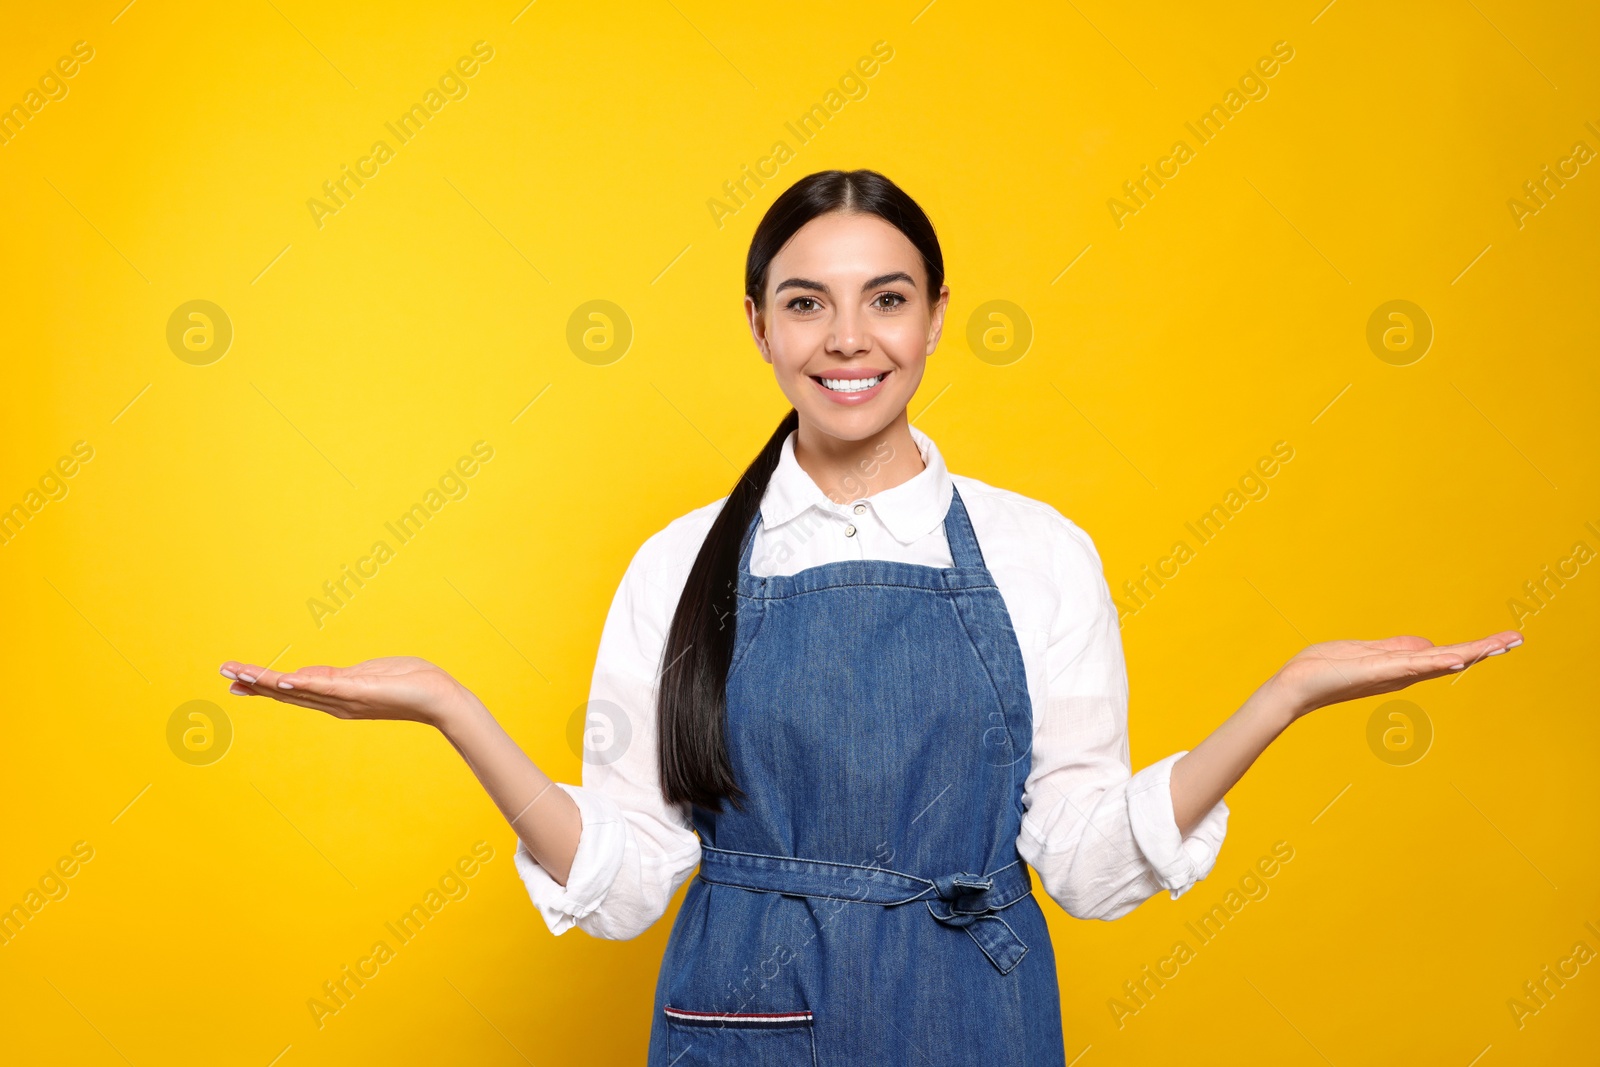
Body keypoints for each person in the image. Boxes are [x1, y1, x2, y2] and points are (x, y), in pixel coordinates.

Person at [220, 169, 1522, 1065]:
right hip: (745, 1020)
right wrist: (457, 714)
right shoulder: (680, 567)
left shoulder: (1035, 553)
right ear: (758, 324)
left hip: (972, 1019)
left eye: (887, 296)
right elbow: (624, 882)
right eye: (807, 300)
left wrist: (1279, 700)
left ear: (938, 316)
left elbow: (1079, 861)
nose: (851, 337)